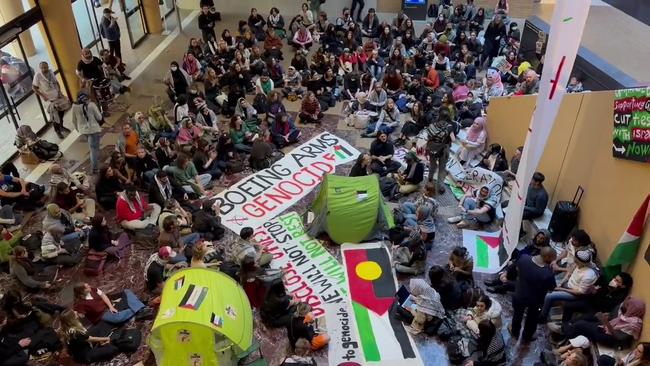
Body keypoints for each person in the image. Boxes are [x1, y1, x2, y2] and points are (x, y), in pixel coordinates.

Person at [563, 296, 646, 350]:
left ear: (633, 309)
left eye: (628, 305)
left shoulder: (633, 324)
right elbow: (612, 316)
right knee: (586, 319)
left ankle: (565, 335)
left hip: (611, 339)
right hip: (606, 327)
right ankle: (567, 335)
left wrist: (605, 321)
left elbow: (618, 337)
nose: (625, 305)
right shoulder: (625, 310)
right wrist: (605, 316)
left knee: (580, 325)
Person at [539, 250, 599, 321]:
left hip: (574, 294)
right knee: (546, 282)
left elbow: (580, 292)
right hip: (567, 284)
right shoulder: (579, 264)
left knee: (549, 296)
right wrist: (561, 283)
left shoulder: (588, 275)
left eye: (576, 260)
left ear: (582, 262)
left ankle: (542, 317)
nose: (574, 261)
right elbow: (569, 273)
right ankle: (540, 306)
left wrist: (561, 289)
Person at [73, 282, 152, 325]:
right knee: (118, 318)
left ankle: (137, 309)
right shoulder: (80, 304)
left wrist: (111, 306)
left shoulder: (93, 290)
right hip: (102, 314)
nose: (89, 286)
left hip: (108, 306)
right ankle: (139, 309)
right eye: (87, 287)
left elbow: (103, 295)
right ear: (82, 291)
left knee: (127, 291)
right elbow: (80, 315)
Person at [32, 62, 71, 138]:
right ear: (40, 68)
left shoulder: (50, 72)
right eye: (42, 68)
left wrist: (59, 91)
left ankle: (61, 126)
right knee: (54, 115)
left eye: (45, 67)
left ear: (48, 67)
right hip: (49, 99)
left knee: (61, 112)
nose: (44, 69)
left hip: (57, 96)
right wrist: (43, 96)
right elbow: (34, 87)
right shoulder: (38, 75)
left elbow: (56, 82)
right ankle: (57, 131)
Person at [71, 91, 103, 174]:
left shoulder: (74, 106)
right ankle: (95, 168)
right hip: (93, 130)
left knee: (92, 146)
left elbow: (73, 120)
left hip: (83, 130)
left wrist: (78, 129)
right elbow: (99, 118)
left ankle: (95, 160)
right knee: (94, 149)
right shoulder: (91, 105)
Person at [425, 113, 455, 194]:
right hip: (444, 150)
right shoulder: (449, 127)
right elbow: (453, 139)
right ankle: (440, 186)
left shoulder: (433, 124)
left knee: (432, 165)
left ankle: (430, 180)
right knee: (442, 168)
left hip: (432, 148)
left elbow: (427, 135)